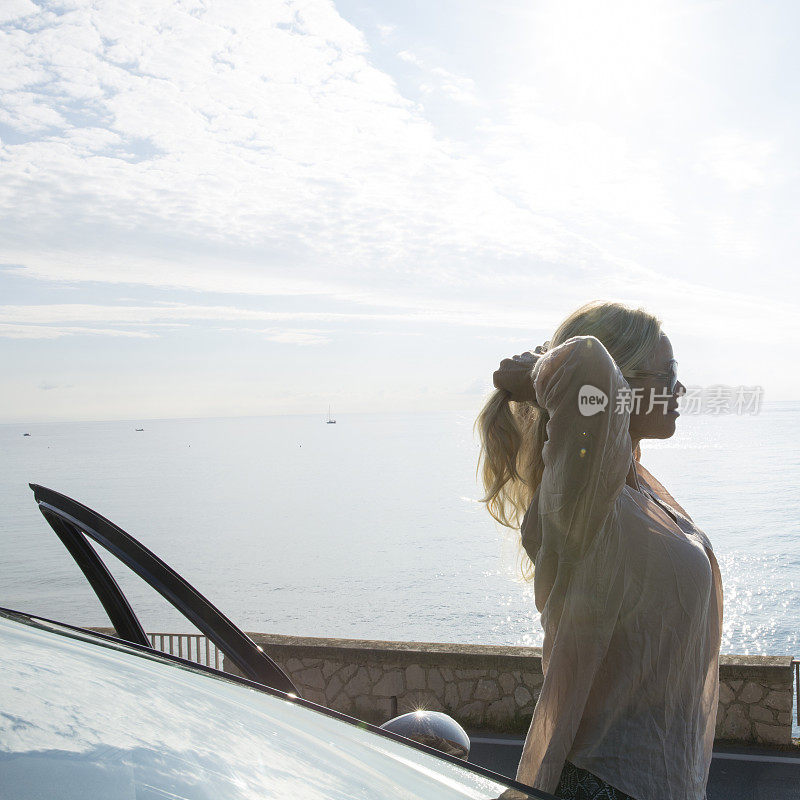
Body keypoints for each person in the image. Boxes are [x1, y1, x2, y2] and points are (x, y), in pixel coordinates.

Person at [476, 300, 723, 800]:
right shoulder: (584, 501)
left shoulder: (634, 492)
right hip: (603, 786)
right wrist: (541, 373)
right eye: (668, 372)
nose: (680, 389)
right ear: (621, 386)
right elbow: (588, 363)